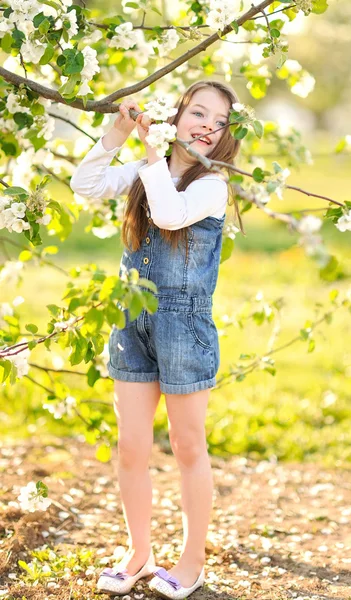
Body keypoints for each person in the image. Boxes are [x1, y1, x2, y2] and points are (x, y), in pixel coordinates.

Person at [70, 79, 244, 599]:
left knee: (188, 445)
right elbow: (85, 183)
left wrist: (151, 154)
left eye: (218, 122)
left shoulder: (213, 186)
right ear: (178, 114)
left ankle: (191, 561)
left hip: (182, 325)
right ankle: (139, 553)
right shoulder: (149, 171)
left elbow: (169, 213)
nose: (207, 127)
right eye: (198, 113)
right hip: (133, 318)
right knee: (131, 447)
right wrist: (116, 134)